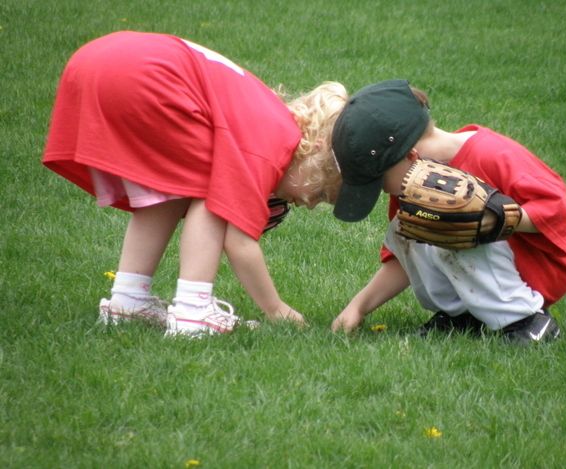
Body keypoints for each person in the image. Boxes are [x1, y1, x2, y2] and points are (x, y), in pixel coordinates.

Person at [42, 31, 348, 337]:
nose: (310, 204)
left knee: (177, 184)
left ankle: (128, 299)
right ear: (316, 148)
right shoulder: (270, 146)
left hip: (100, 61)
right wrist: (276, 309)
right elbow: (239, 242)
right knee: (215, 185)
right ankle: (194, 310)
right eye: (320, 192)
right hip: (140, 75)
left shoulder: (268, 121)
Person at [330, 79, 566, 344]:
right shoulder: (411, 188)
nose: (383, 191)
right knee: (406, 225)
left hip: (543, 262)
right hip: (501, 263)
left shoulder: (491, 154)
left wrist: (497, 217)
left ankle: (528, 320)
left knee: (451, 221)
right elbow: (401, 259)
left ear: (411, 156)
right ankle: (463, 316)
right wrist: (358, 307)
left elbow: (560, 213)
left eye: (380, 181)